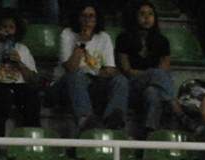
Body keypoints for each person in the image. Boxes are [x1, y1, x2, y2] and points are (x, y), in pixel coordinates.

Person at [56, 2, 126, 133]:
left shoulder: (104, 37)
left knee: (121, 80)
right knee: (77, 75)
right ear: (77, 18)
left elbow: (110, 70)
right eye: (84, 16)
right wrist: (82, 43)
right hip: (67, 84)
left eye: (91, 16)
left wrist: (96, 73)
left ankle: (112, 120)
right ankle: (86, 121)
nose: (87, 20)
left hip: (94, 81)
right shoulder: (67, 34)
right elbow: (71, 68)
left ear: (96, 18)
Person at [115, 2, 175, 137]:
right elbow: (127, 70)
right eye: (142, 14)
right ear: (135, 17)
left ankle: (149, 134)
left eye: (150, 14)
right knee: (156, 74)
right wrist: (150, 75)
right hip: (131, 88)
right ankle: (177, 109)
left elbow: (164, 71)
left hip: (152, 89)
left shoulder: (162, 41)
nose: (146, 18)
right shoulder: (124, 38)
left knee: (152, 92)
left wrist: (151, 76)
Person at [0, 12, 40, 137]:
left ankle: (32, 141)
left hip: (18, 86)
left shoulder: (22, 48)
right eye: (4, 26)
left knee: (31, 96)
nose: (7, 30)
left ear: (16, 30)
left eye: (11, 27)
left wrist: (19, 63)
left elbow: (33, 79)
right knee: (2, 97)